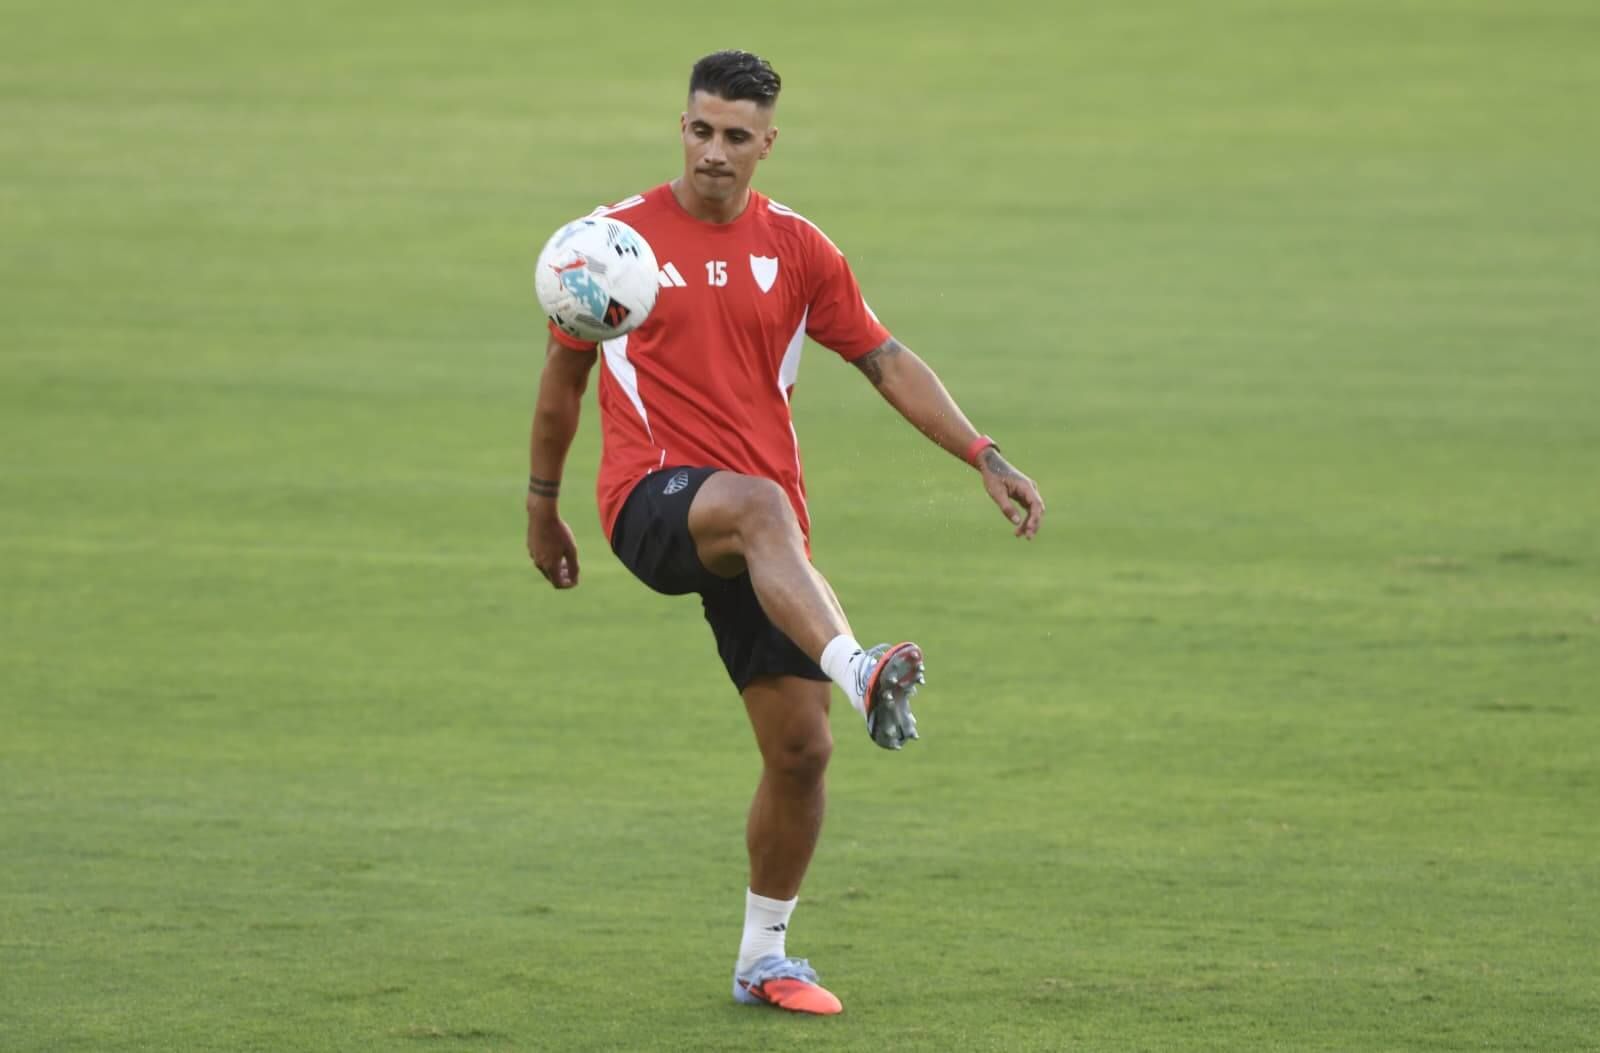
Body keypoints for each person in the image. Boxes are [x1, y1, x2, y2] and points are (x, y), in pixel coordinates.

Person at [525, 49, 1044, 1015]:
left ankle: (764, 958)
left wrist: (983, 452)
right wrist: (541, 505)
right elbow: (565, 382)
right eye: (698, 130)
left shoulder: (800, 249)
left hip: (763, 541)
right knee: (761, 502)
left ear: (768, 142)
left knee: (801, 752)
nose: (712, 153)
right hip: (651, 502)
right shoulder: (612, 245)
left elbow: (885, 361)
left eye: (734, 137)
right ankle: (861, 669)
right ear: (680, 127)